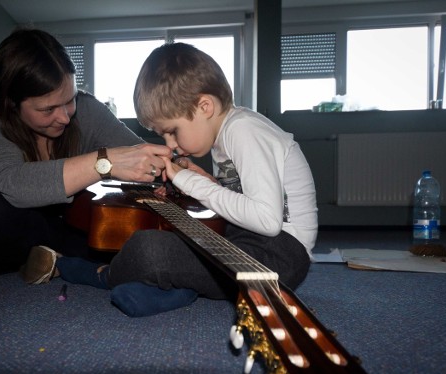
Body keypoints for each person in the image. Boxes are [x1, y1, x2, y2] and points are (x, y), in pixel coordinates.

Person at [49, 42, 318, 317]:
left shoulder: (244, 131)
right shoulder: (225, 136)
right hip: (246, 241)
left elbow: (268, 221)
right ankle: (176, 291)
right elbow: (243, 200)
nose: (171, 144)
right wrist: (208, 182)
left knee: (149, 248)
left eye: (172, 131)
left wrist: (190, 182)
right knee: (174, 245)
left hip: (279, 257)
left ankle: (104, 275)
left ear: (205, 106)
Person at [0, 28, 172, 277]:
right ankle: (63, 256)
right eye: (47, 110)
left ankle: (53, 257)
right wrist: (104, 162)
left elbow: (141, 153)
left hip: (52, 228)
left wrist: (178, 167)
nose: (64, 117)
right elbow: (14, 184)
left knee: (111, 229)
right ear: (11, 104)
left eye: (69, 100)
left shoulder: (87, 109)